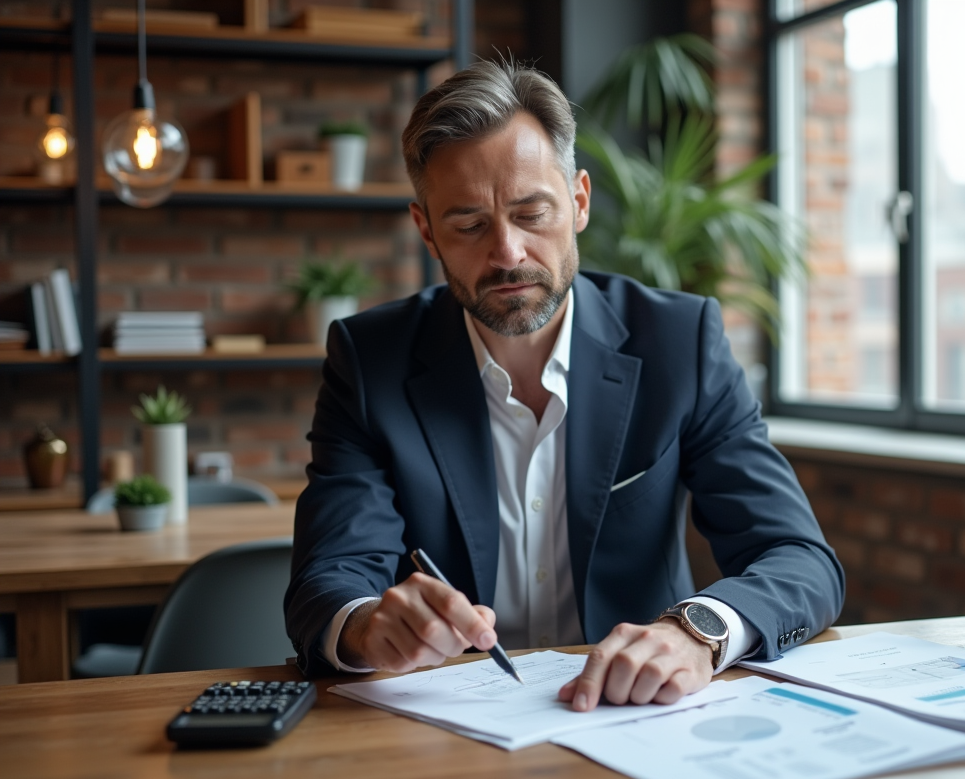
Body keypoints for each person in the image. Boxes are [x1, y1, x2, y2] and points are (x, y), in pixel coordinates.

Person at [285, 59, 844, 712]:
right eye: (469, 225)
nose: (508, 253)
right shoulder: (369, 358)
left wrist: (700, 632)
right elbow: (329, 577)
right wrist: (365, 627)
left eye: (531, 213)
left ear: (578, 201)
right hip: (448, 729)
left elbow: (798, 557)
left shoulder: (679, 341)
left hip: (637, 715)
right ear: (426, 229)